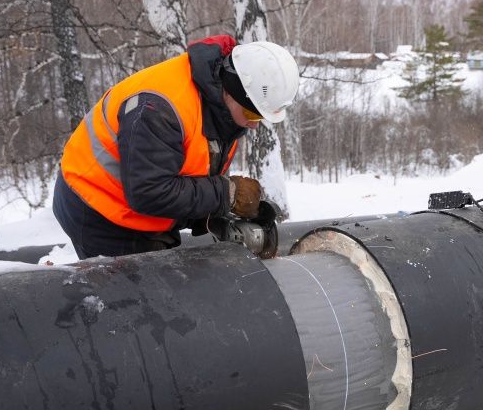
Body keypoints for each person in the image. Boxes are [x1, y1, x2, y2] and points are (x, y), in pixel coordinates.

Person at [53, 35, 300, 259]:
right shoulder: (160, 110)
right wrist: (226, 194)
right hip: (97, 206)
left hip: (142, 203)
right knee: (136, 300)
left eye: (260, 117)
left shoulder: (220, 105)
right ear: (232, 90)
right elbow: (149, 191)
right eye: (251, 113)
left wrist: (212, 211)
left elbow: (186, 165)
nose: (253, 125)